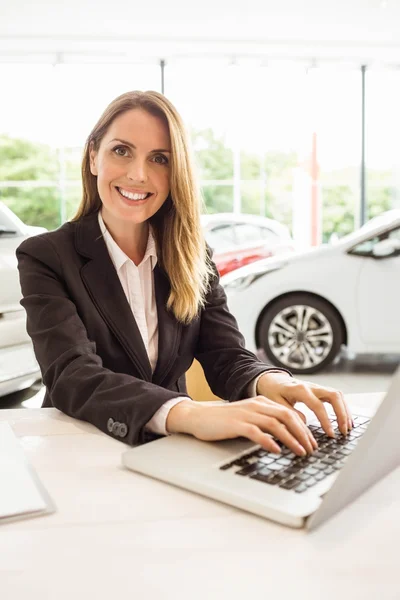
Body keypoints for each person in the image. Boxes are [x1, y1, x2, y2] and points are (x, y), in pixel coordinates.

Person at [16, 90, 353, 457]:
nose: (138, 174)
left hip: (174, 451)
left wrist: (269, 380)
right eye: (121, 150)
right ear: (94, 155)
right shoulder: (47, 255)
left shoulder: (191, 255)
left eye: (160, 158)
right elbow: (72, 376)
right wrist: (188, 412)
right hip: (81, 450)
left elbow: (224, 353)